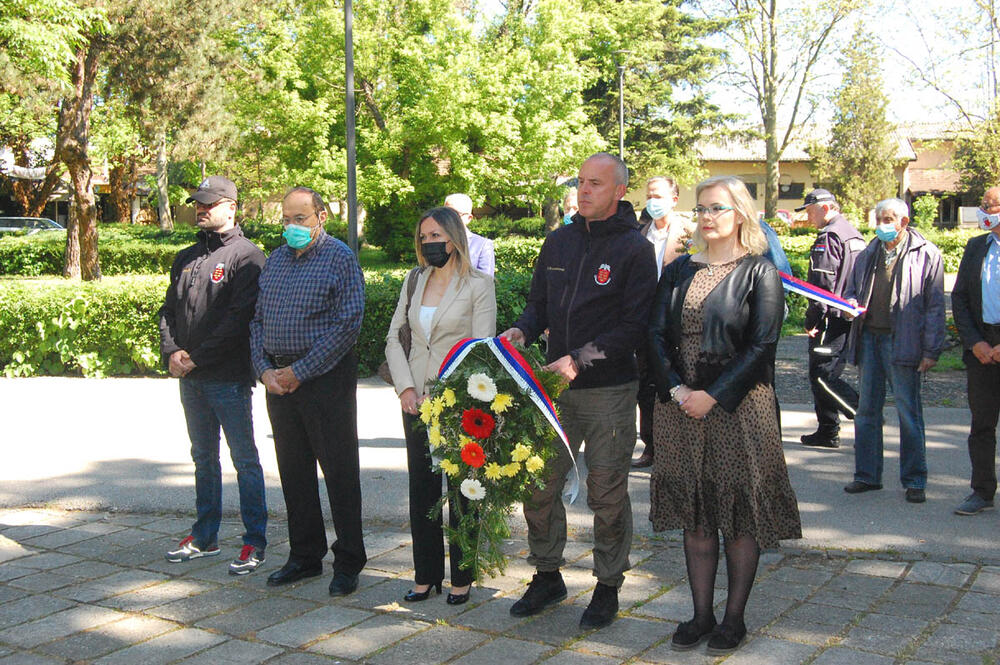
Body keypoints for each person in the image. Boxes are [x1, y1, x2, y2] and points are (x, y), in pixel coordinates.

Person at [500, 152, 657, 630]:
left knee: (606, 493)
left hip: (607, 391)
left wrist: (580, 359)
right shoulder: (559, 241)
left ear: (618, 192)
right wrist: (522, 332)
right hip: (551, 389)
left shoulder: (635, 249)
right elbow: (538, 306)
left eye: (595, 183)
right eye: (580, 182)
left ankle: (608, 585)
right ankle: (547, 575)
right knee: (537, 483)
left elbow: (634, 326)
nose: (583, 190)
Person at [647, 175, 800, 656]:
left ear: (740, 214)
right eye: (703, 208)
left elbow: (762, 345)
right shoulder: (676, 271)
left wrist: (712, 395)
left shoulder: (760, 271)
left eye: (718, 208)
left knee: (738, 513)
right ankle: (700, 614)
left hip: (736, 408)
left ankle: (733, 619)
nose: (708, 217)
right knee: (695, 513)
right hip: (678, 407)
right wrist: (676, 388)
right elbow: (651, 335)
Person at [250, 186, 367, 595]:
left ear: (321, 216)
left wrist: (301, 370)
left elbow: (348, 323)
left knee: (339, 472)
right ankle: (305, 556)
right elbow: (257, 321)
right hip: (279, 382)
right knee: (294, 471)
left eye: (300, 218)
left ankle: (349, 561)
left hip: (324, 379)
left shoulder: (340, 258)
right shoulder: (276, 260)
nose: (291, 226)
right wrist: (264, 369)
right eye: (286, 219)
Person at [385, 207, 497, 605]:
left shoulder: (479, 285)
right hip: (414, 401)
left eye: (436, 235)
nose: (429, 243)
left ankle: (462, 577)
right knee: (423, 490)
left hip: (458, 402)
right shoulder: (414, 280)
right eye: (423, 237)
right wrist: (406, 389)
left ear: (454, 238)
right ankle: (425, 575)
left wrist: (443, 391)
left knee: (463, 492)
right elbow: (394, 339)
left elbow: (480, 347)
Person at [158, 175, 269, 575]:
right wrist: (172, 351)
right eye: (198, 204)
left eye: (209, 203)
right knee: (203, 458)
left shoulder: (247, 257)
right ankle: (205, 537)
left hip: (227, 377)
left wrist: (196, 358)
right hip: (192, 378)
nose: (201, 209)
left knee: (245, 460)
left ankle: (254, 541)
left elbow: (240, 320)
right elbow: (168, 311)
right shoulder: (186, 256)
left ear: (231, 207)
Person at [843, 198, 945, 504]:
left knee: (908, 413)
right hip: (870, 339)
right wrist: (848, 304)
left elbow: (935, 306)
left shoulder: (926, 253)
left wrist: (931, 350)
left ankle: (914, 479)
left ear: (904, 221)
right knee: (866, 412)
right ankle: (867, 475)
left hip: (904, 343)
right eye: (879, 219)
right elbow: (851, 290)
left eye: (889, 219)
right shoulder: (868, 253)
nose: (882, 225)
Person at [795, 189, 865, 448]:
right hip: (847, 315)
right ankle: (827, 430)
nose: (808, 218)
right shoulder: (852, 234)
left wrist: (812, 319)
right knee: (826, 372)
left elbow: (822, 284)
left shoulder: (829, 236)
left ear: (825, 208)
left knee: (822, 375)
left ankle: (863, 415)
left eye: (810, 211)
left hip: (830, 317)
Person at [633, 176, 692, 469]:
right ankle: (652, 446)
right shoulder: (640, 233)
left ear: (674, 199)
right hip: (645, 322)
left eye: (658, 195)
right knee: (646, 386)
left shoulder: (690, 234)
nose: (652, 201)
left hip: (677, 321)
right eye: (649, 195)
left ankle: (681, 447)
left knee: (678, 381)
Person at [950, 186, 1000, 516]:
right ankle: (981, 491)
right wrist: (975, 342)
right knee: (981, 424)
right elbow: (960, 299)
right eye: (983, 204)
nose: (983, 210)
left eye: (990, 204)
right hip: (981, 347)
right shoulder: (976, 246)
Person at [444, 193, 495, 276]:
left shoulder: (482, 246)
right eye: (446, 213)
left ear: (469, 218)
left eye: (455, 214)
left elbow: (485, 283)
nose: (449, 218)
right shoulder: (434, 240)